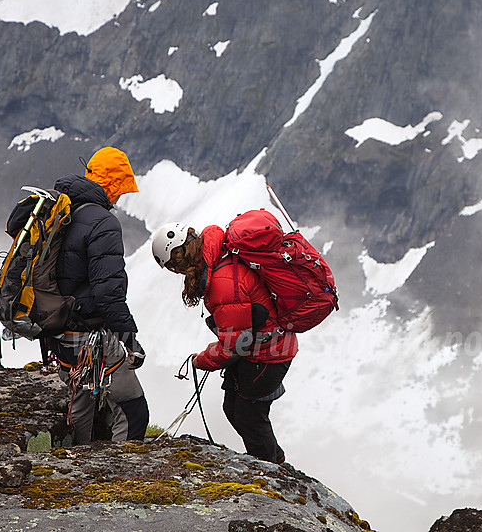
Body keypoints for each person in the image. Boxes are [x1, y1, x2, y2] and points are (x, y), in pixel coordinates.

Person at [152, 222, 297, 464]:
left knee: (248, 416)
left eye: (173, 268)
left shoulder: (221, 281)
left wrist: (202, 360)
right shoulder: (218, 256)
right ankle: (273, 461)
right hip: (265, 348)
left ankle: (269, 471)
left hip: (267, 355)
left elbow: (234, 346)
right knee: (233, 409)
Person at [41, 146, 148, 443]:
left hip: (60, 334)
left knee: (81, 415)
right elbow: (108, 293)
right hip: (91, 339)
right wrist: (130, 339)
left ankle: (71, 475)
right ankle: (122, 481)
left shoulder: (63, 211)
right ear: (113, 184)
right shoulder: (103, 222)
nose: (120, 197)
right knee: (133, 410)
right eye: (121, 189)